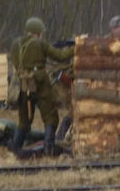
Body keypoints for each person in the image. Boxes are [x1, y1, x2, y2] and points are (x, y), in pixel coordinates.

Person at [9, 17, 75, 156]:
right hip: (40, 83)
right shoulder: (40, 44)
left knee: (24, 121)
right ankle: (48, 149)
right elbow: (61, 56)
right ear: (38, 32)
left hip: (21, 85)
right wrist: (76, 47)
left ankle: (15, 149)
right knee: (50, 118)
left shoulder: (15, 44)